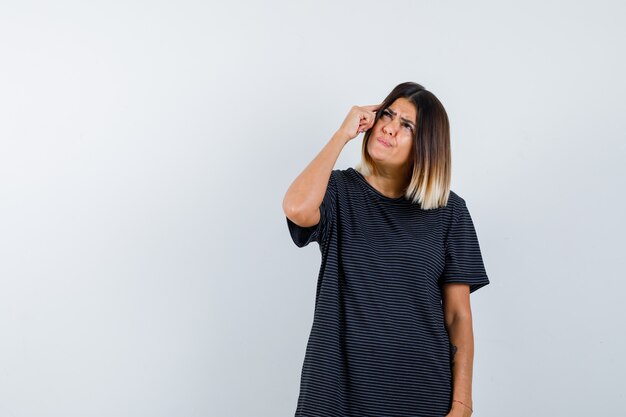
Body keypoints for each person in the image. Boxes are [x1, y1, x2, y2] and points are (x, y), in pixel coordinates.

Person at [282, 81, 490, 417]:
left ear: (427, 145)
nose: (390, 128)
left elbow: (458, 315)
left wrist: (462, 404)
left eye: (406, 125)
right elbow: (297, 209)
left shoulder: (450, 212)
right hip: (336, 394)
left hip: (421, 394)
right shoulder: (339, 191)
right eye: (387, 116)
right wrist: (341, 135)